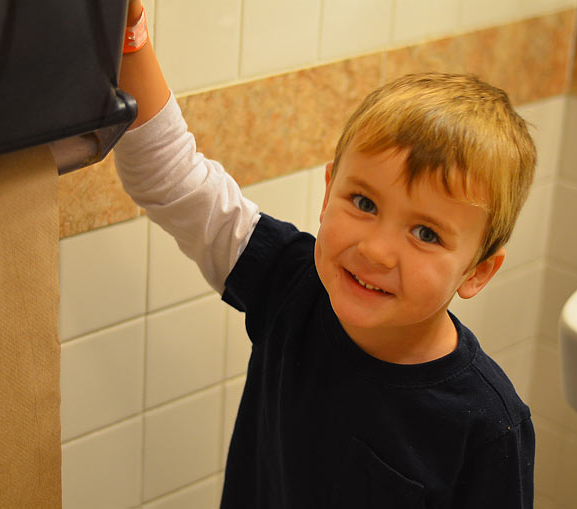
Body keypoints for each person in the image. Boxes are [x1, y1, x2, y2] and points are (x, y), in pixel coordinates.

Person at [114, 1, 536, 507]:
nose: (376, 251)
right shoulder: (290, 283)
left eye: (425, 233)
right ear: (328, 189)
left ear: (477, 271)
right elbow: (170, 177)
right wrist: (128, 31)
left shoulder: (488, 423)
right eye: (363, 202)